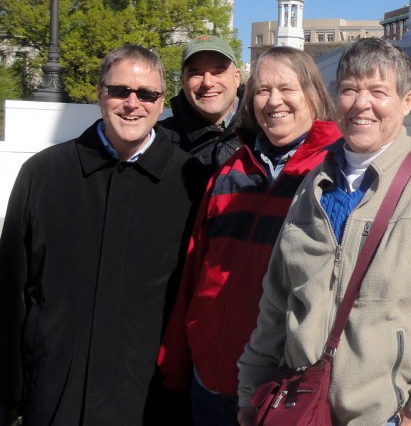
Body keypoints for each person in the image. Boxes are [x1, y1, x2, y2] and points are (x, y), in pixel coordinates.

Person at [236, 38, 411, 426]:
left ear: (406, 102)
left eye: (378, 91)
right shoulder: (313, 184)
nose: (361, 104)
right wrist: (250, 394)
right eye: (350, 90)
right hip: (300, 406)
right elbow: (276, 303)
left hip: (383, 415)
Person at [0, 44, 204, 425]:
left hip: (150, 402)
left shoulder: (191, 182)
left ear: (162, 104)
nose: (132, 103)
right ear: (99, 93)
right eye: (119, 91)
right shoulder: (43, 174)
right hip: (55, 393)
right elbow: (12, 289)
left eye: (147, 94)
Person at [159, 47, 340, 425]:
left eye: (287, 88)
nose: (274, 101)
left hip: (283, 390)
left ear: (312, 93)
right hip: (210, 379)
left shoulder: (337, 171)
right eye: (262, 90)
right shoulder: (230, 171)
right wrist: (177, 360)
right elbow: (197, 271)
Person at [159, 34, 244, 179]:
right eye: (196, 74)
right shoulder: (160, 140)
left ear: (236, 77)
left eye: (218, 72)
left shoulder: (265, 131)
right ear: (182, 81)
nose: (208, 82)